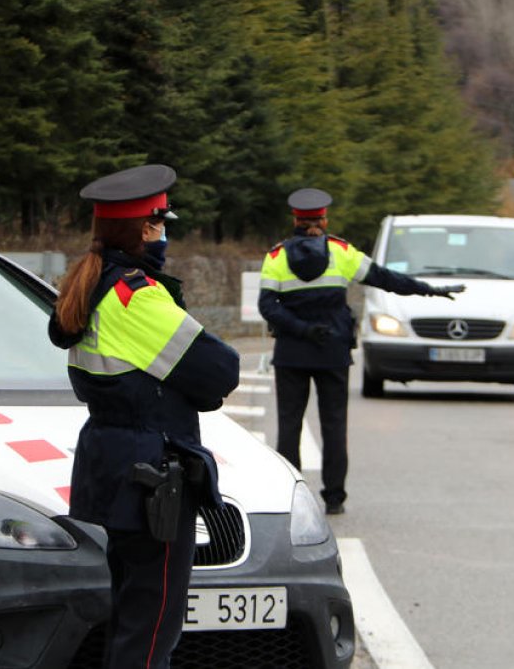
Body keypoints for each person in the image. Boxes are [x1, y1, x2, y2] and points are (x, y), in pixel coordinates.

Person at [48, 164, 239, 669]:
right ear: (147, 229)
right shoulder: (136, 296)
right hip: (151, 476)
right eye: (161, 223)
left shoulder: (88, 286)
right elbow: (221, 370)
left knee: (132, 616)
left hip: (115, 465)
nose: (165, 233)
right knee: (153, 629)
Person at [258, 188, 464, 515]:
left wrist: (301, 329)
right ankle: (335, 498)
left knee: (289, 427)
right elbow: (386, 279)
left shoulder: (276, 257)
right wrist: (429, 290)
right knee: (334, 426)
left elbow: (267, 306)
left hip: (292, 353)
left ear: (295, 220)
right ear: (324, 219)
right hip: (333, 352)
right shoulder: (342, 252)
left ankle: (290, 497)